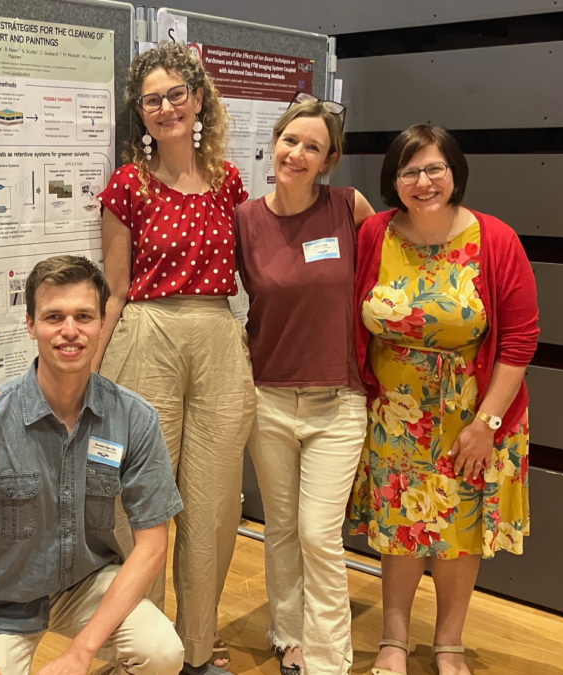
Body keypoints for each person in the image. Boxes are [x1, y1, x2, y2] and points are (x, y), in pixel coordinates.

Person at [0, 255, 186, 675]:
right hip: (2, 599)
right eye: (54, 317)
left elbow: (152, 545)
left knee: (162, 653)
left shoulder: (133, 417)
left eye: (83, 316)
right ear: (31, 325)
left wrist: (81, 653)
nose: (70, 331)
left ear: (101, 324)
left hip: (87, 582)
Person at [346, 125, 538, 675]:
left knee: (461, 528)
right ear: (394, 180)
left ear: (454, 172)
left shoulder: (494, 239)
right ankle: (393, 641)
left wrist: (487, 423)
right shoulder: (374, 236)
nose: (423, 182)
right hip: (394, 414)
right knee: (401, 528)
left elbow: (520, 339)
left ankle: (449, 643)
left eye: (435, 169)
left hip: (473, 414)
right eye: (410, 172)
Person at [94, 40, 254, 675]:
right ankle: (143, 648)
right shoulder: (127, 184)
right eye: (151, 100)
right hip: (146, 334)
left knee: (213, 504)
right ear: (141, 112)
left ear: (198, 100)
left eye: (175, 95)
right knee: (141, 502)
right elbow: (114, 288)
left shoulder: (230, 182)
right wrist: (85, 378)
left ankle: (196, 646)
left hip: (216, 331)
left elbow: (261, 268)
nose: (164, 108)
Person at [234, 95, 376, 675]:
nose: (297, 153)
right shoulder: (245, 218)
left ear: (329, 159)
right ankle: (288, 632)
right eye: (290, 140)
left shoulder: (349, 207)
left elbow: (391, 272)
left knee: (320, 534)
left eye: (312, 147)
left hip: (338, 398)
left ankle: (330, 656)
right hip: (267, 395)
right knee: (283, 528)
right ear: (275, 141)